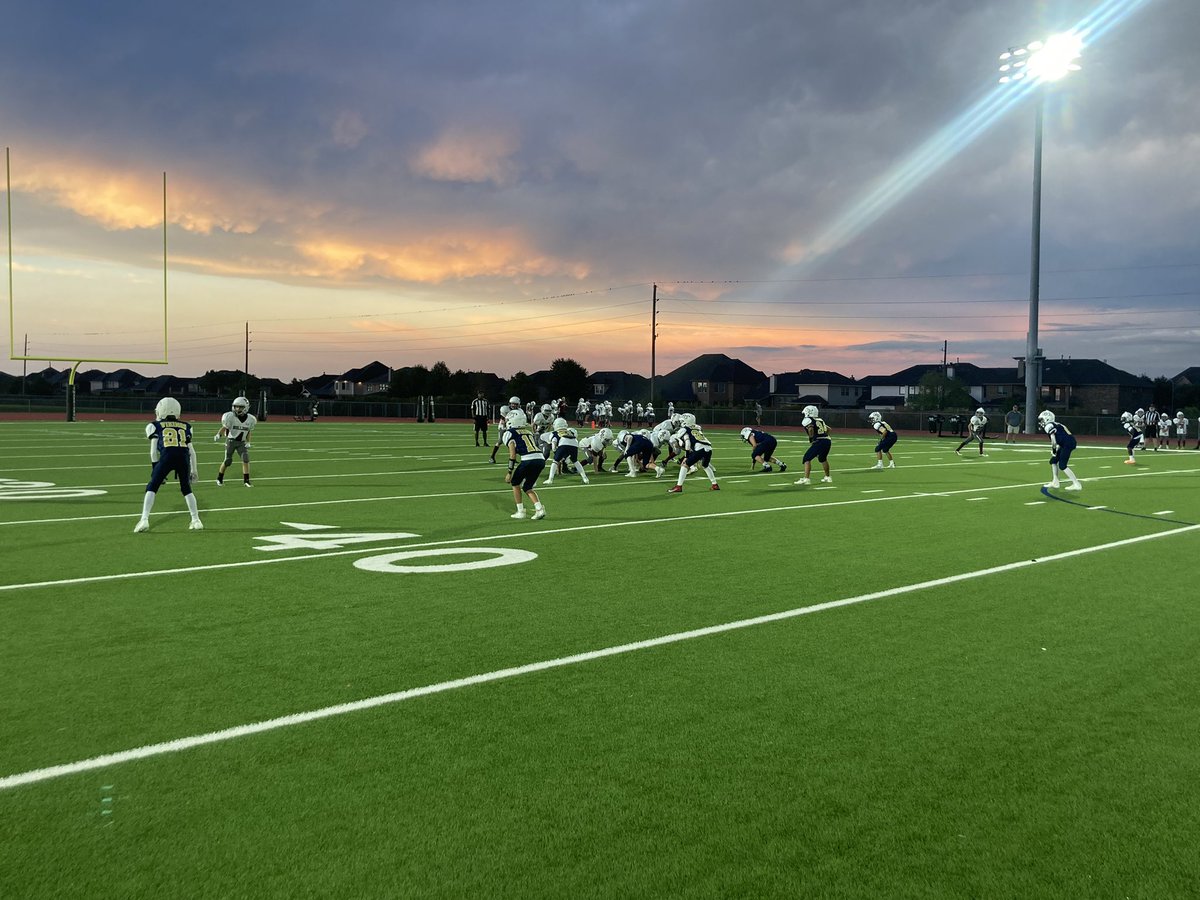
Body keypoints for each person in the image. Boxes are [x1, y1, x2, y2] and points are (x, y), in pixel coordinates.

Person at [135, 397, 202, 532]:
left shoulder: (154, 425)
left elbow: (153, 451)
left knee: (152, 486)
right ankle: (196, 520)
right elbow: (192, 452)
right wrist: (194, 470)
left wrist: (155, 467)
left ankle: (144, 519)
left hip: (167, 457)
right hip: (183, 458)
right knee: (186, 489)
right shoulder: (187, 426)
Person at [503, 410, 546, 520]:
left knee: (515, 483)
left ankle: (520, 511)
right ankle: (539, 509)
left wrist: (509, 472)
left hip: (528, 459)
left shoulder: (510, 433)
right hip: (540, 459)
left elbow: (512, 455)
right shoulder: (528, 431)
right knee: (527, 487)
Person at [667, 413, 719, 493]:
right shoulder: (697, 428)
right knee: (705, 466)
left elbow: (687, 443)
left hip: (699, 449)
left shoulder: (684, 429)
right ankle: (714, 484)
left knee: (684, 465)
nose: (680, 423)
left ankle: (678, 486)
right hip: (708, 448)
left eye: (681, 421)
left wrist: (686, 456)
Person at [215, 395, 257, 487]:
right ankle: (219, 478)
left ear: (246, 407)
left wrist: (248, 442)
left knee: (245, 459)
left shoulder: (251, 419)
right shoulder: (230, 417)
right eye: (236, 406)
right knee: (227, 461)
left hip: (241, 443)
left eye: (240, 407)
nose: (237, 409)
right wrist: (219, 434)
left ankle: (246, 481)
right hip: (231, 441)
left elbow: (248, 431)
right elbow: (224, 427)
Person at [1038, 410, 1082, 491]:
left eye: (1042, 420)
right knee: (1053, 461)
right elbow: (1063, 435)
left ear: (1047, 419)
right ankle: (1055, 482)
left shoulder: (1048, 426)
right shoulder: (1057, 424)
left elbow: (1053, 439)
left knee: (1062, 465)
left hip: (1067, 444)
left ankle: (1076, 484)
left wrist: (1054, 450)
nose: (1041, 422)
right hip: (1067, 442)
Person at [544, 418, 591, 485]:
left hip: (563, 443)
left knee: (555, 461)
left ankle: (550, 479)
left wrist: (555, 450)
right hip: (574, 443)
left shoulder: (555, 433)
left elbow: (554, 441)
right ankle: (585, 478)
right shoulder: (569, 431)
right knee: (575, 461)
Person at [794, 404, 832, 485]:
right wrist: (824, 435)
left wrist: (811, 439)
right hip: (827, 441)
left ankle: (806, 479)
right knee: (823, 459)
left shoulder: (808, 420)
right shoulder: (820, 420)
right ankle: (828, 477)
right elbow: (829, 429)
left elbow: (810, 429)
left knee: (806, 458)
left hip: (819, 441)